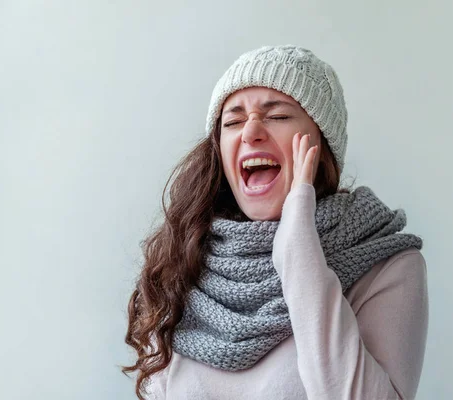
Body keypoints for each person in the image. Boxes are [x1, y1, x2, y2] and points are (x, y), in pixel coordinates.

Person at [123, 45, 429, 400]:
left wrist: (298, 243)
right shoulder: (180, 265)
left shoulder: (387, 265)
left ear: (322, 143)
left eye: (278, 116)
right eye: (233, 121)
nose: (250, 131)